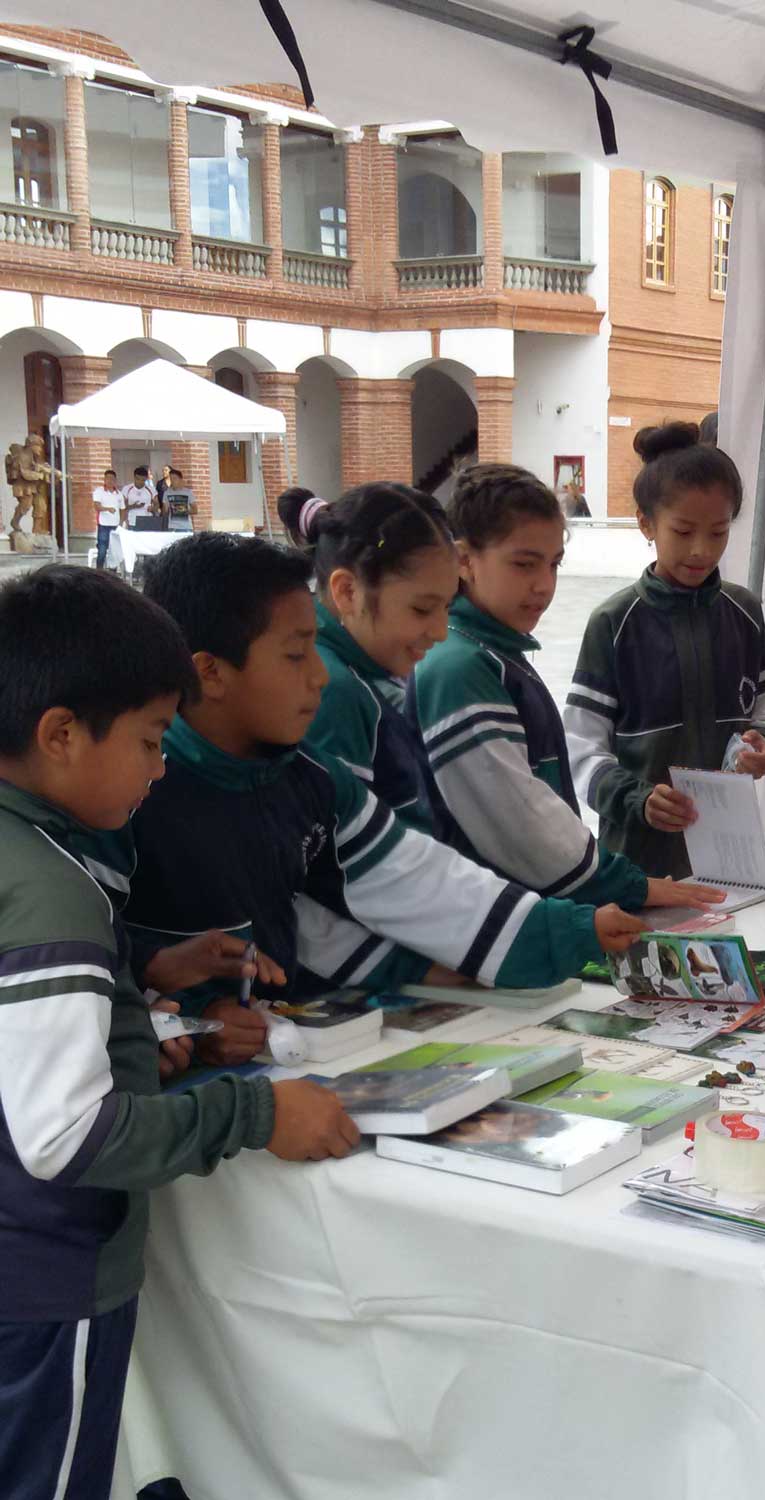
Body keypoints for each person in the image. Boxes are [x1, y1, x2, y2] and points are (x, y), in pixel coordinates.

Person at [0, 566, 357, 1500]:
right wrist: (253, 1113)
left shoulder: (27, 857)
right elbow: (65, 1136)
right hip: (45, 1281)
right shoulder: (51, 887)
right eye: (154, 740)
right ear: (61, 734)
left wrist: (148, 992)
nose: (163, 767)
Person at [90, 532, 644, 1060]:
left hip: (287, 1041)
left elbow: (418, 877)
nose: (319, 677)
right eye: (295, 655)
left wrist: (569, 929)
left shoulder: (311, 777)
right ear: (209, 672)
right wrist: (185, 1017)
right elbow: (87, 962)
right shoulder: (127, 793)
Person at [406, 463, 725, 914]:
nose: (543, 585)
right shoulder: (459, 666)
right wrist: (629, 886)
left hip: (523, 916)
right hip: (486, 927)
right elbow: (520, 822)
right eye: (523, 564)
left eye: (554, 564)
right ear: (463, 560)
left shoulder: (494, 653)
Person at [564, 422, 765, 878]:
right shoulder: (614, 623)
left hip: (730, 853)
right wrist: (635, 798)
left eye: (719, 532)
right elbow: (580, 745)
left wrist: (763, 741)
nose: (702, 550)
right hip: (638, 860)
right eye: (683, 531)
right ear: (646, 522)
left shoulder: (743, 611)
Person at [288, 481, 459, 831]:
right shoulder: (332, 691)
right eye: (422, 609)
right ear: (348, 591)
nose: (441, 631)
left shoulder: (367, 665)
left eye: (447, 607)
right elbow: (351, 860)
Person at [92, 467, 121, 568]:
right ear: (104, 479)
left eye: (112, 479)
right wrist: (107, 509)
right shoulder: (99, 491)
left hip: (115, 526)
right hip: (103, 525)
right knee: (102, 551)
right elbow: (96, 506)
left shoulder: (119, 494)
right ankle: (99, 571)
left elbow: (122, 509)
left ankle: (113, 572)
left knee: (114, 551)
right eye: (107, 478)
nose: (110, 481)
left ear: (115, 480)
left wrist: (121, 523)